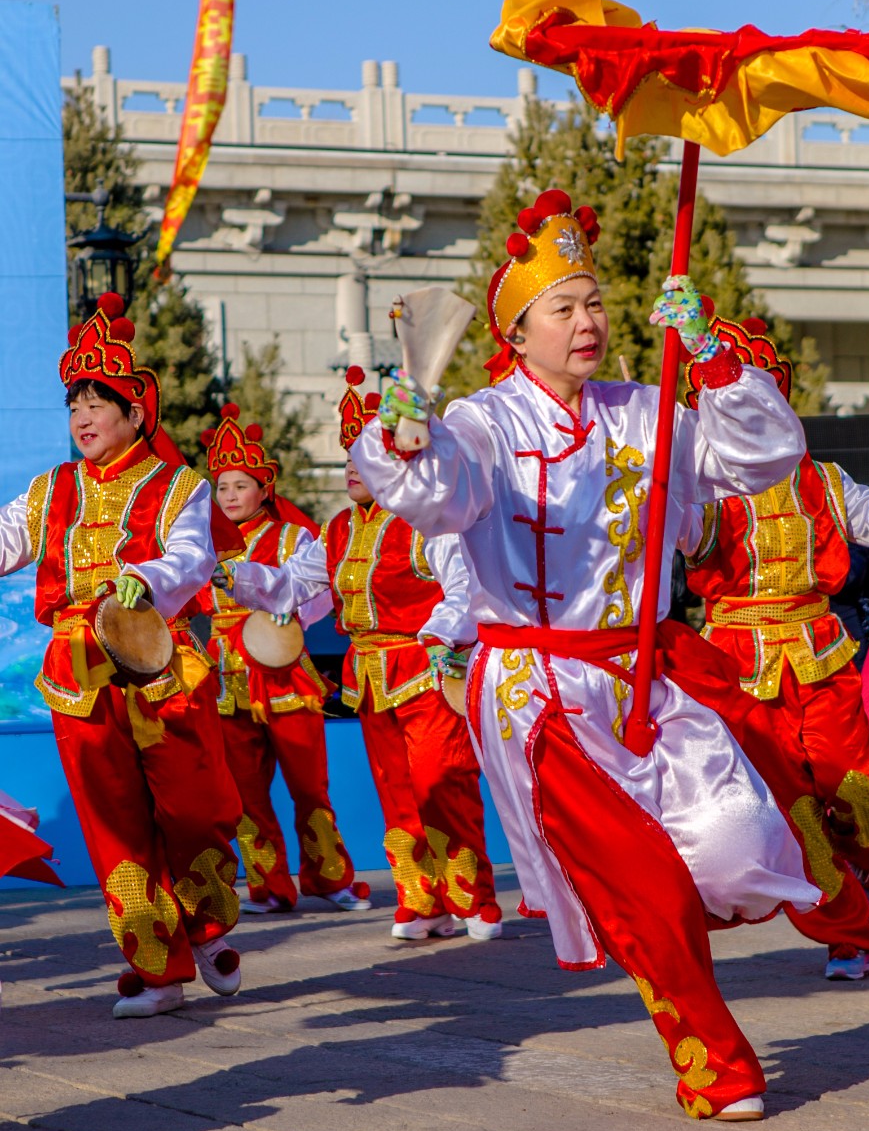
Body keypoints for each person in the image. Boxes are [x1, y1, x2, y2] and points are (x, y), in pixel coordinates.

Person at [350, 188, 819, 1123]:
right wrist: (403, 434)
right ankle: (714, 1060)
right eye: (561, 307)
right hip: (534, 691)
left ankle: (699, 927)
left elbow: (765, 458)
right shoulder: (485, 421)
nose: (588, 320)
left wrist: (718, 361)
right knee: (637, 877)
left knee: (733, 841)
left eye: (595, 300)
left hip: (638, 671)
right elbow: (433, 496)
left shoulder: (650, 410)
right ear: (517, 333)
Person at [0, 293, 243, 1018]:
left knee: (193, 806)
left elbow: (195, 557)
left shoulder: (178, 485)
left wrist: (151, 577)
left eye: (99, 400)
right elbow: (6, 538)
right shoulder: (52, 491)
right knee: (113, 821)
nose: (83, 415)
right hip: (80, 676)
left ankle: (207, 927)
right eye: (75, 401)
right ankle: (156, 964)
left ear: (137, 413)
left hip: (162, 666)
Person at [680, 312, 869, 980]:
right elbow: (657, 543)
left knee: (855, 793)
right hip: (739, 670)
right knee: (792, 821)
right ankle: (849, 933)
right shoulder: (700, 495)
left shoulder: (820, 480)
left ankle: (867, 858)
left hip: (820, 657)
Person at [220, 368, 503, 944]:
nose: (353, 467)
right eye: (348, 457)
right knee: (396, 792)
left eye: (363, 455)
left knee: (441, 783)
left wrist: (439, 636)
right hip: (369, 675)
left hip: (423, 669)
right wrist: (221, 569)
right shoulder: (338, 530)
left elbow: (464, 592)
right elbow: (286, 589)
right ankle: (420, 900)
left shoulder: (430, 522)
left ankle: (474, 899)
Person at [199, 404, 370, 916]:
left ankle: (329, 879)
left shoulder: (293, 538)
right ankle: (269, 887)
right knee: (245, 794)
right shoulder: (204, 545)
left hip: (284, 675)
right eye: (222, 488)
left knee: (309, 786)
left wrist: (285, 617)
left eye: (240, 486)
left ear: (264, 489)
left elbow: (315, 595)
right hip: (226, 678)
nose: (230, 496)